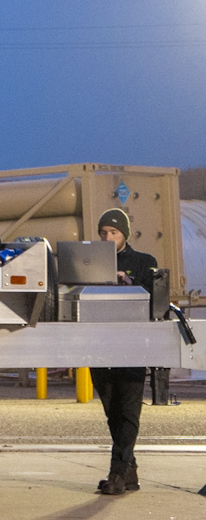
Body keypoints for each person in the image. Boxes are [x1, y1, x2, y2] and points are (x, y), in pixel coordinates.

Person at [91, 207, 157, 496]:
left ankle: (116, 473)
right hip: (99, 343)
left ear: (124, 235)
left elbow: (156, 300)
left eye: (113, 232)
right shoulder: (90, 261)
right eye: (103, 232)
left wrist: (130, 284)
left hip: (132, 343)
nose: (107, 237)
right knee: (112, 409)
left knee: (128, 409)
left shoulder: (143, 262)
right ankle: (129, 470)